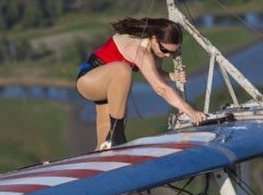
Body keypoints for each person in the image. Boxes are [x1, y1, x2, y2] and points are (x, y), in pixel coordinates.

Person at [76, 17, 206, 149]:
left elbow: (156, 74)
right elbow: (161, 89)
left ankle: (108, 149)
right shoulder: (140, 51)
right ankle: (117, 136)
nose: (167, 55)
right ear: (154, 38)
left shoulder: (154, 49)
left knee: (104, 148)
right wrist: (192, 112)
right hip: (89, 79)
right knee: (123, 70)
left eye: (172, 52)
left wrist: (173, 76)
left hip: (110, 88)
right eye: (165, 50)